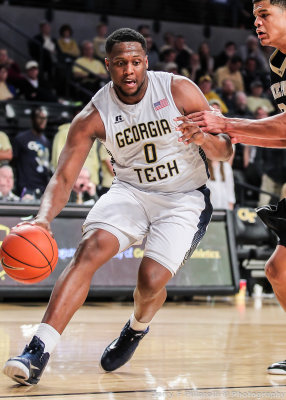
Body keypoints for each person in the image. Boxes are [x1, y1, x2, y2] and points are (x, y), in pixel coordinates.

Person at [3, 28, 232, 386]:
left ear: (146, 62)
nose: (129, 71)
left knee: (151, 280)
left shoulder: (178, 90)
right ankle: (37, 350)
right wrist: (43, 218)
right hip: (131, 192)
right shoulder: (94, 114)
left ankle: (136, 328)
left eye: (136, 62)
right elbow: (63, 178)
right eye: (121, 63)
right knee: (89, 250)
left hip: (184, 197)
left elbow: (227, 151)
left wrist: (202, 137)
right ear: (107, 65)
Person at [174, 0, 286, 375]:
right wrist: (224, 128)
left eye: (265, 14)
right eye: (254, 15)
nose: (256, 22)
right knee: (279, 271)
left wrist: (227, 124)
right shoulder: (277, 64)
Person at [13, 106, 52, 198]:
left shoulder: (46, 142)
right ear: (32, 119)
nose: (43, 121)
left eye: (45, 118)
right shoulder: (21, 138)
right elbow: (14, 162)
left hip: (43, 188)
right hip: (26, 188)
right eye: (40, 118)